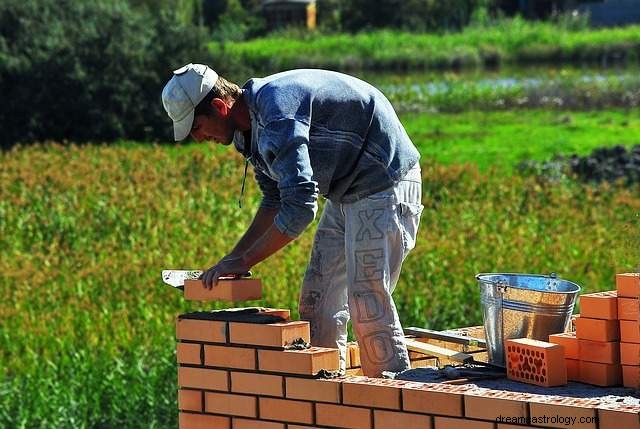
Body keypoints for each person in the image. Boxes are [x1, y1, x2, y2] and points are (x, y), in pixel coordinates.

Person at [161, 64, 424, 377]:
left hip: (383, 177)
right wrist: (232, 259)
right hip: (345, 190)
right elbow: (275, 200)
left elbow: (300, 208)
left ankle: (392, 403)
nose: (200, 138)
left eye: (197, 128)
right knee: (317, 301)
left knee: (366, 299)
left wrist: (244, 259)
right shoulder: (248, 134)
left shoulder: (276, 112)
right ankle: (328, 396)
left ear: (220, 107)